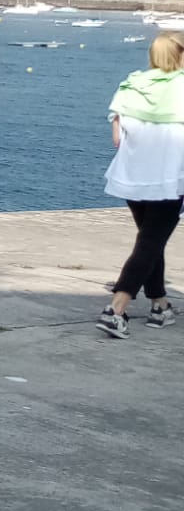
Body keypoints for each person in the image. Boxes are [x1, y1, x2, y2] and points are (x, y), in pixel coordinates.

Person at [97, 32, 184, 338]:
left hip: (131, 179)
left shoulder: (132, 85)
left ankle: (160, 305)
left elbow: (117, 139)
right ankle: (116, 309)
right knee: (149, 243)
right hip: (168, 180)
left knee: (150, 242)